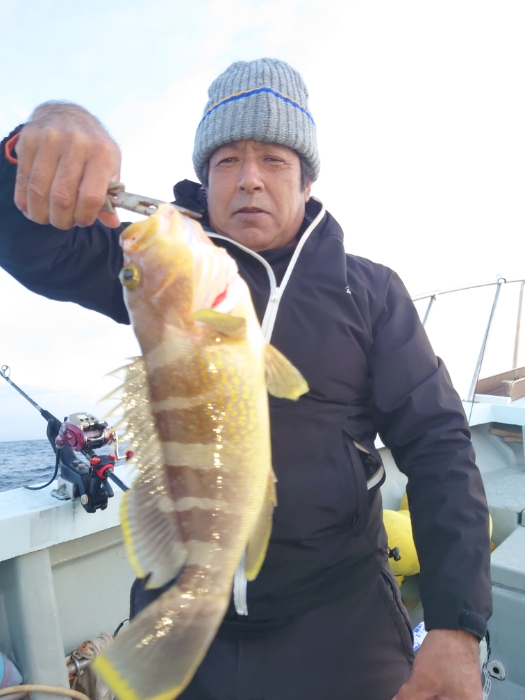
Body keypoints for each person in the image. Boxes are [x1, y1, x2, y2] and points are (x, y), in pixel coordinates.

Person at [0, 58, 491, 700]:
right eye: (227, 160)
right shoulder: (162, 261)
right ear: (205, 181)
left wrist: (456, 625)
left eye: (274, 159)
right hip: (181, 601)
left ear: (307, 182)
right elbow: (28, 244)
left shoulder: (371, 293)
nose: (249, 178)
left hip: (341, 616)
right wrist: (35, 142)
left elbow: (438, 448)